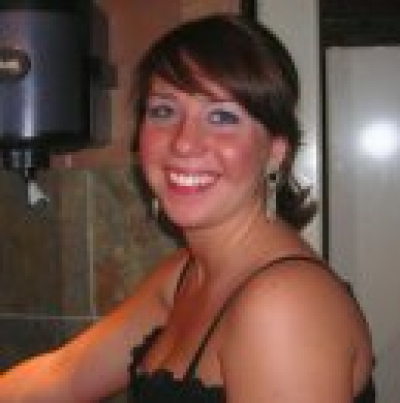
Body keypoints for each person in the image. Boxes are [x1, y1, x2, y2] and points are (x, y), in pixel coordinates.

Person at [0, 14, 373, 402]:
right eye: (164, 111)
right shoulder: (184, 275)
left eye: (222, 116)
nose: (183, 142)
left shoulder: (284, 306)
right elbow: (61, 375)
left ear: (275, 153)